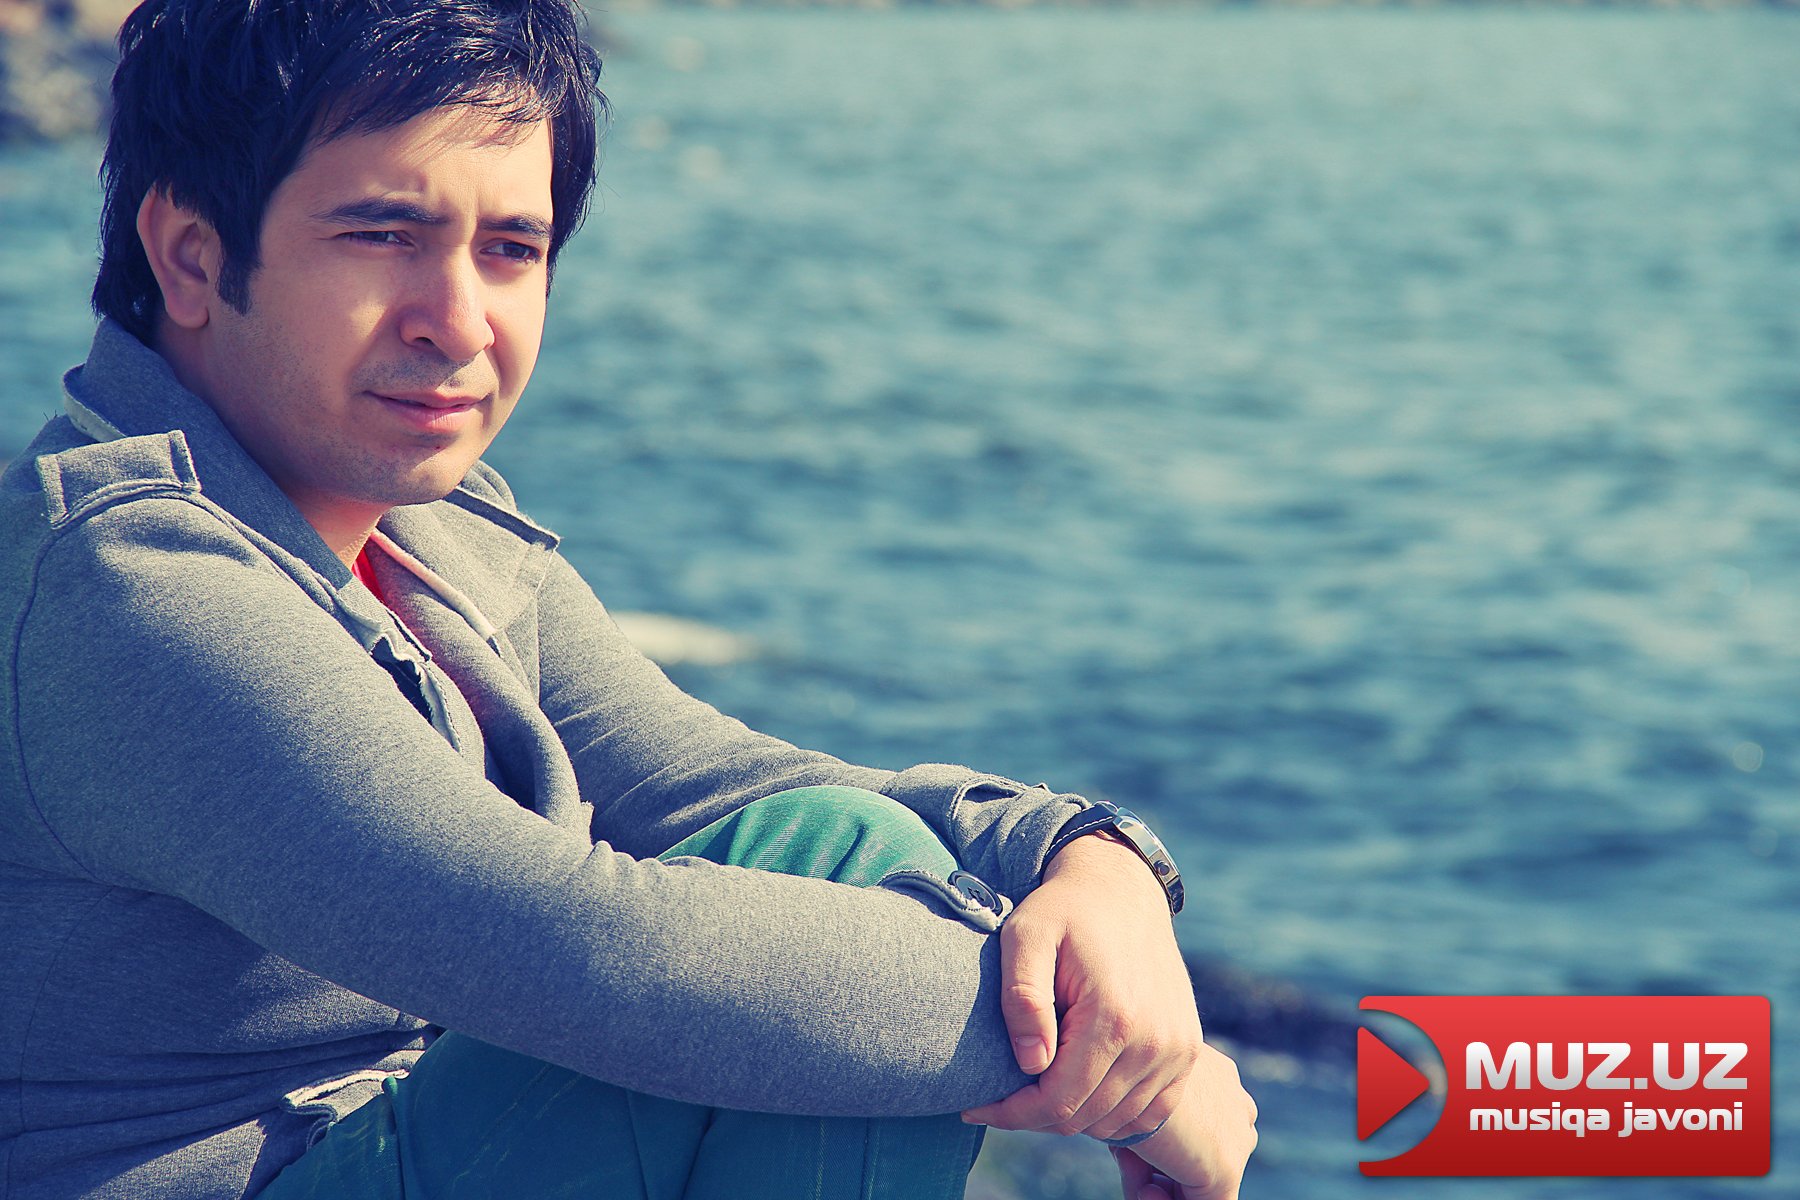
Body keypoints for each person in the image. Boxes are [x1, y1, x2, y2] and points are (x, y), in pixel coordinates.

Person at [0, 2, 1256, 1198]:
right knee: (813, 927)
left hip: (407, 1138)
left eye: (511, 249)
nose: (459, 323)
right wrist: (1132, 1068)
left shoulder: (430, 534)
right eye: (382, 235)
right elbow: (592, 956)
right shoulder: (127, 585)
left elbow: (729, 788)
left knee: (836, 856)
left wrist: (1090, 861)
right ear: (192, 255)